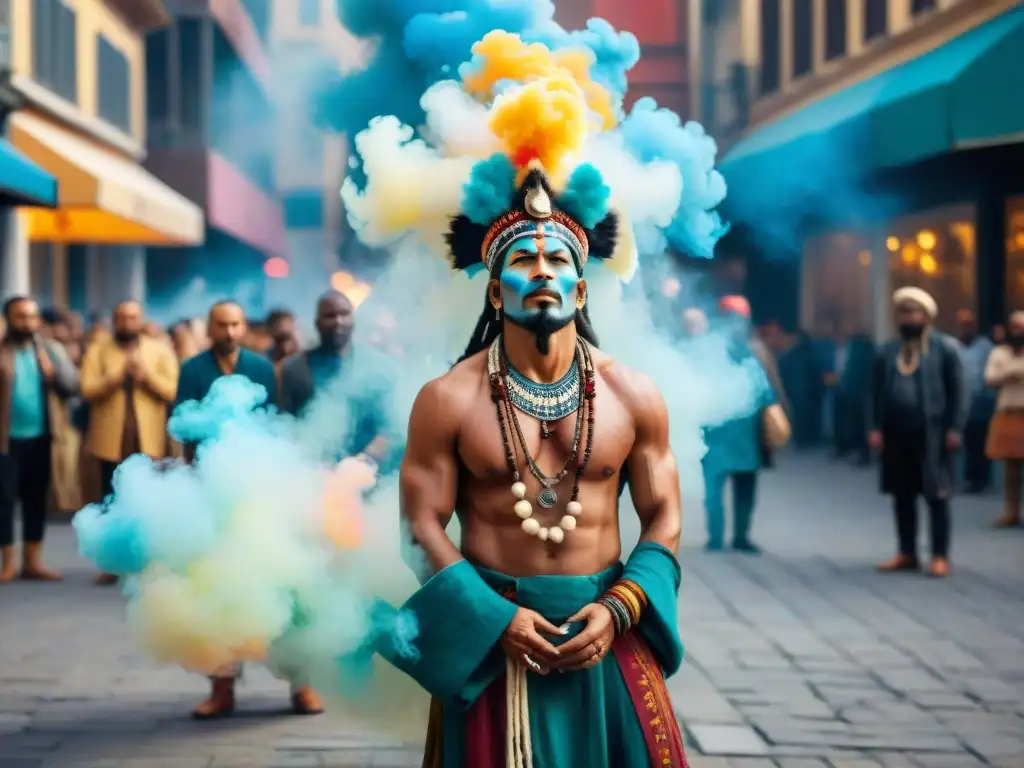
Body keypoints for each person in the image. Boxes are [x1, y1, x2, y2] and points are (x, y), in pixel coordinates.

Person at [387, 157, 687, 764]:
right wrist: (495, 618)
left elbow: (665, 518)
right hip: (496, 642)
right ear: (496, 291)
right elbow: (418, 529)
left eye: (558, 262)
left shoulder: (634, 394)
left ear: (581, 290)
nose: (543, 271)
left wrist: (620, 607)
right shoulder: (447, 399)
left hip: (609, 631)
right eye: (524, 260)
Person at [176, 300, 323, 719]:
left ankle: (302, 685)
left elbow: (277, 425)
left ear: (244, 327)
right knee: (219, 590)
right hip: (213, 493)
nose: (230, 332)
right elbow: (184, 429)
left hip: (261, 489)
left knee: (286, 582)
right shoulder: (193, 369)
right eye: (222, 325)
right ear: (210, 327)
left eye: (236, 324)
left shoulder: (261, 368)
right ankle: (222, 687)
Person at [81, 301, 179, 584]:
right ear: (114, 320)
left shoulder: (159, 349)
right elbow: (87, 389)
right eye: (121, 318)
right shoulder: (98, 350)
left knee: (146, 503)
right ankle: (111, 564)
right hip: (109, 442)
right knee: (110, 503)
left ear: (141, 320)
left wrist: (145, 376)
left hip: (147, 441)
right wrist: (116, 376)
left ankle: (145, 562)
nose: (126, 323)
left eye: (132, 318)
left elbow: (172, 391)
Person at [870, 287, 964, 578]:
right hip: (896, 433)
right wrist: (874, 427)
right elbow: (873, 393)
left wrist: (955, 427)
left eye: (914, 312)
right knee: (902, 493)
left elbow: (959, 391)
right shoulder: (887, 350)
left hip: (932, 434)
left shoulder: (944, 348)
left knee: (936, 493)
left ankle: (939, 555)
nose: (909, 318)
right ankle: (906, 552)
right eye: (904, 312)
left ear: (926, 316)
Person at [0, 297, 79, 582]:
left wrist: (53, 374)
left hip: (42, 437)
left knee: (36, 499)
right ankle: (8, 563)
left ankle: (33, 561)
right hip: (6, 441)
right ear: (8, 319)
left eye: (31, 317)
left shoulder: (50, 350)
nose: (27, 323)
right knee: (4, 501)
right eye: (20, 317)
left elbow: (73, 387)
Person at [701, 295, 781, 553]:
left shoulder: (706, 349)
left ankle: (718, 538)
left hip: (720, 429)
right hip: (740, 430)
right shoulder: (750, 350)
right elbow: (765, 389)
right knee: (741, 486)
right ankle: (739, 536)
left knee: (716, 486)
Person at [278, 291, 395, 466]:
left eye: (344, 314)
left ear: (353, 320)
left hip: (368, 472)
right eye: (330, 316)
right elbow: (284, 425)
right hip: (310, 470)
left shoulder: (378, 367)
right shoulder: (294, 368)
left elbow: (392, 425)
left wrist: (365, 459)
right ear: (317, 323)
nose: (338, 322)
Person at [983, 310, 1024, 527]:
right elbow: (989, 379)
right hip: (1008, 413)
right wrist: (1009, 376)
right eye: (1016, 327)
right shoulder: (999, 352)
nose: (1019, 331)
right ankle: (1011, 511)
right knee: (1011, 470)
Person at [956, 309, 995, 493]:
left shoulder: (984, 346)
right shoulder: (955, 347)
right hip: (960, 401)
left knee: (980, 442)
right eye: (963, 326)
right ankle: (968, 479)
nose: (966, 329)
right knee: (968, 443)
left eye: (969, 325)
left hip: (980, 400)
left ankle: (982, 480)